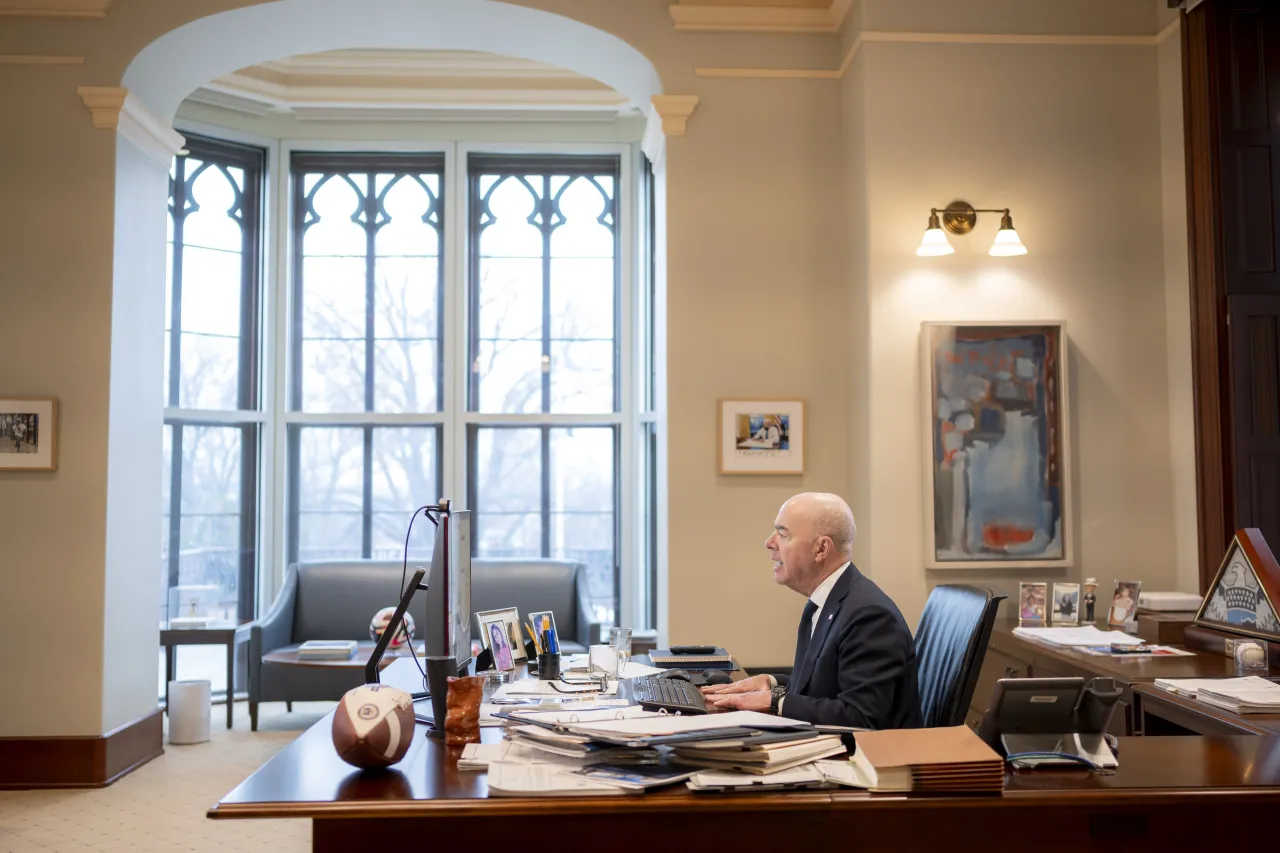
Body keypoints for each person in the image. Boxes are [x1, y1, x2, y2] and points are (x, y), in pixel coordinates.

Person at [701, 492, 922, 730]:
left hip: (868, 759)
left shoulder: (869, 616)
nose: (769, 542)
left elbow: (860, 715)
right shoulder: (829, 600)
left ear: (821, 549)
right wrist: (771, 682)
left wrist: (775, 702)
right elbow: (824, 684)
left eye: (783, 534)